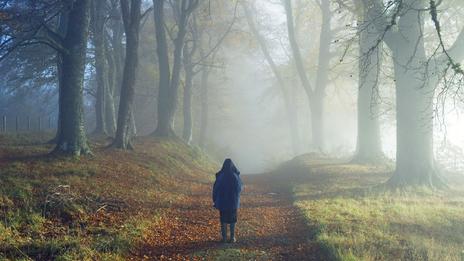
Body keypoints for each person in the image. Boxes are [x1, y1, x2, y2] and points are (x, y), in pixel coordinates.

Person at [212, 159, 242, 243]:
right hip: (233, 202)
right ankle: (232, 238)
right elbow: (239, 189)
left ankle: (224, 238)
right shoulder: (236, 176)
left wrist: (214, 199)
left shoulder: (221, 176)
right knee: (233, 219)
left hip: (222, 201)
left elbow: (215, 189)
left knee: (223, 219)